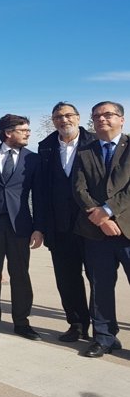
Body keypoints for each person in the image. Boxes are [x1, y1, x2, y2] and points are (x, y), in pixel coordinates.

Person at [0, 114, 44, 340]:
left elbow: (40, 196)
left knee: (20, 274)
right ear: (8, 133)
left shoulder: (32, 160)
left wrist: (39, 227)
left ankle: (21, 322)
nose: (28, 133)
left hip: (21, 224)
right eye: (23, 130)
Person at [72, 101, 130, 358]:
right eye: (96, 116)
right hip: (96, 232)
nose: (101, 119)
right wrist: (100, 219)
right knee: (100, 286)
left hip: (127, 230)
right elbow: (78, 188)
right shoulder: (85, 151)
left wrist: (107, 210)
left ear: (121, 119)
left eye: (108, 114)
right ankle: (105, 337)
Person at [38, 102, 94, 342]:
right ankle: (77, 324)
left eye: (69, 115)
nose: (64, 120)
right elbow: (40, 193)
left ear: (79, 118)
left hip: (93, 227)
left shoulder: (94, 143)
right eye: (58, 117)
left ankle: (104, 329)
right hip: (59, 229)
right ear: (53, 121)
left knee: (98, 279)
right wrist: (40, 227)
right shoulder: (46, 148)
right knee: (67, 280)